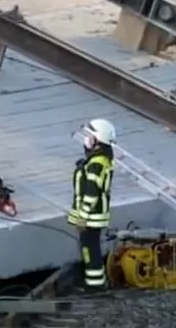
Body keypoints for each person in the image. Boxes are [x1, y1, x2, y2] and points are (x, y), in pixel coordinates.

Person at [68, 118, 116, 293]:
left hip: (91, 217)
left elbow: (91, 192)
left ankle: (94, 286)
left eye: (89, 135)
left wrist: (82, 216)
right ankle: (95, 281)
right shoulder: (99, 161)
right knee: (90, 248)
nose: (86, 139)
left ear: (97, 140)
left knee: (90, 250)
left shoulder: (96, 164)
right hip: (94, 216)